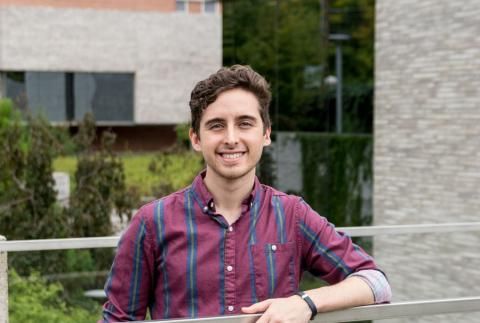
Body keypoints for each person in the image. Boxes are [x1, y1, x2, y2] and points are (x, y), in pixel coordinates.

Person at [101, 65, 391, 322]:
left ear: (265, 134)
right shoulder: (152, 223)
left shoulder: (292, 215)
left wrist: (306, 302)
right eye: (216, 126)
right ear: (196, 139)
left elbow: (375, 283)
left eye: (244, 123)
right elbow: (118, 319)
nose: (231, 138)